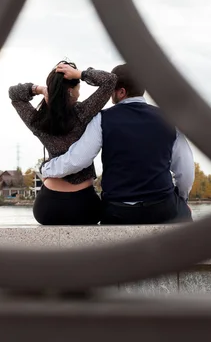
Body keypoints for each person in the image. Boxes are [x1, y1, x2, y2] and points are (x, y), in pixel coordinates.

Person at [41, 63, 194, 225]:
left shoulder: (102, 119)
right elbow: (185, 172)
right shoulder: (170, 120)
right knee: (185, 214)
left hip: (118, 211)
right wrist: (182, 199)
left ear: (121, 92)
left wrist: (47, 168)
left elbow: (77, 160)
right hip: (162, 208)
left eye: (112, 90)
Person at [8, 60, 117, 225]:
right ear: (70, 91)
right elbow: (110, 81)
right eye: (78, 89)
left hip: (47, 206)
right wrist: (80, 74)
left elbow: (14, 94)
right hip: (84, 205)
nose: (79, 94)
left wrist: (39, 89)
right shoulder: (82, 113)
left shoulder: (38, 121)